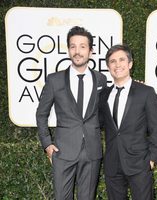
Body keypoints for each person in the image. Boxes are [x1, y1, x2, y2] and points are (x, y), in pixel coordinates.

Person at [36, 26, 107, 200]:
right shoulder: (54, 80)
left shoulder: (101, 79)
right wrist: (47, 144)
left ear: (91, 51)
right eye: (73, 46)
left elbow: (105, 114)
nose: (77, 51)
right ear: (68, 50)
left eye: (82, 46)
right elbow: (41, 114)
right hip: (63, 151)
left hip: (92, 151)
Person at [99, 44, 157, 200]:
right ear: (108, 66)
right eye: (112, 61)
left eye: (121, 59)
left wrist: (153, 158)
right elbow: (98, 123)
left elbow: (155, 128)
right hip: (112, 164)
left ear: (130, 64)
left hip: (140, 163)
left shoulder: (146, 92)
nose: (117, 64)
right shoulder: (103, 95)